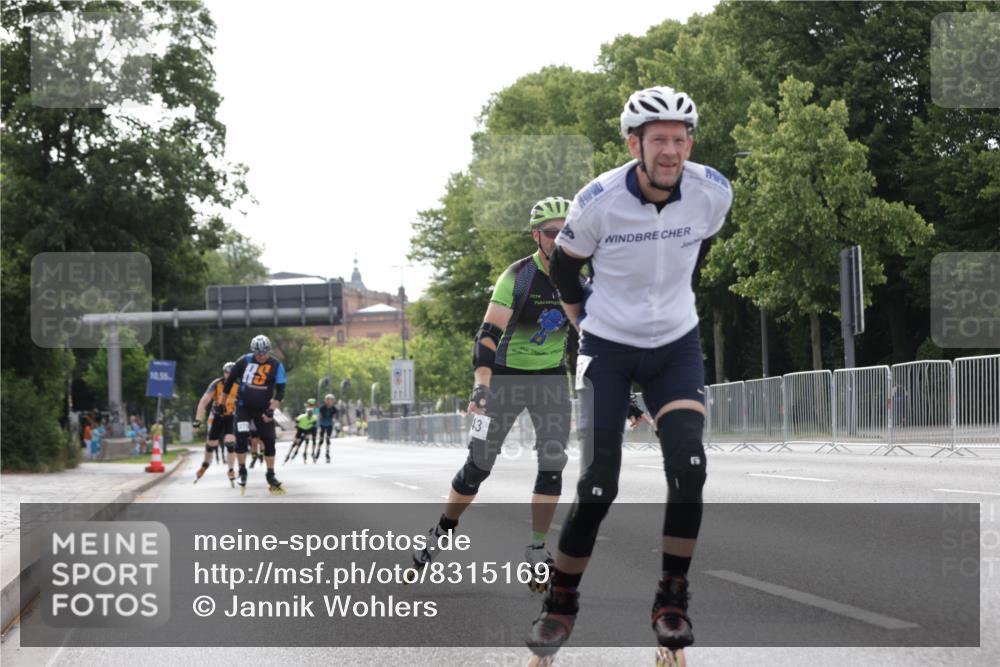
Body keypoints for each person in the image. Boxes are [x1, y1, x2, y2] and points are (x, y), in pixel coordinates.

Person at [526, 86, 732, 659]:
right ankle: (560, 603)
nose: (671, 151)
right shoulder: (598, 202)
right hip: (609, 350)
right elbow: (564, 270)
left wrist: (671, 300)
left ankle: (672, 598)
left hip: (675, 346)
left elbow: (698, 250)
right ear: (633, 144)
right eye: (658, 139)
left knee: (690, 467)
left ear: (690, 142)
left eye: (680, 138)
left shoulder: (713, 191)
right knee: (598, 485)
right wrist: (585, 322)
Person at [411, 196, 582, 592]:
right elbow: (487, 335)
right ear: (536, 236)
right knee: (478, 467)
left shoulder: (583, 275)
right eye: (552, 233)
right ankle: (444, 528)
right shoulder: (518, 276)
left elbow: (603, 333)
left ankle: (537, 548)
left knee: (553, 460)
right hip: (504, 378)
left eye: (567, 232)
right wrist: (482, 385)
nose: (560, 239)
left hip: (550, 379)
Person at [223, 335, 288, 495]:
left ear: (269, 351)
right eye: (258, 353)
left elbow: (280, 392)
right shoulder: (244, 360)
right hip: (243, 406)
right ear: (253, 352)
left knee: (269, 440)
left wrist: (271, 410)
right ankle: (242, 470)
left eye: (264, 353)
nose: (261, 356)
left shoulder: (276, 365)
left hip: (263, 408)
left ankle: (271, 474)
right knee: (242, 435)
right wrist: (221, 403)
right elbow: (229, 382)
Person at [192, 362, 239, 485]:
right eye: (227, 373)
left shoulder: (239, 385)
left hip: (230, 416)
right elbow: (204, 401)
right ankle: (205, 464)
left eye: (232, 373)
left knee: (230, 443)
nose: (229, 375)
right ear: (224, 373)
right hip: (216, 416)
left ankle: (231, 470)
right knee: (212, 444)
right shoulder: (216, 384)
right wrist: (198, 420)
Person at [317, 394, 338, 462]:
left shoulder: (334, 409)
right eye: (328, 400)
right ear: (326, 400)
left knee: (328, 439)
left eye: (331, 400)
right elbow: (319, 415)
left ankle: (327, 454)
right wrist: (320, 418)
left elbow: (334, 416)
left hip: (329, 425)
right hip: (323, 424)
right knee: (321, 440)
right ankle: (318, 451)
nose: (329, 401)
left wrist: (334, 419)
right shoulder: (322, 407)